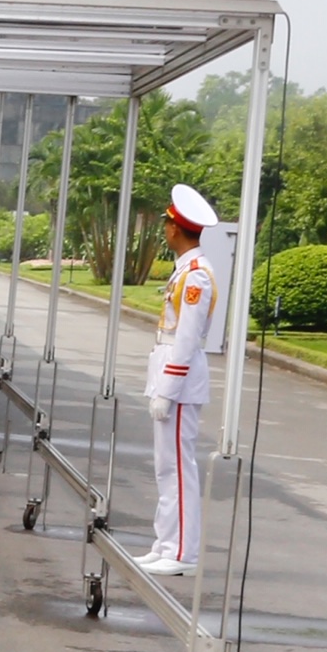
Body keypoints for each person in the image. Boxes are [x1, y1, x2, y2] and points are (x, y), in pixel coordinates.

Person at [139, 184, 220, 575]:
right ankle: (165, 542)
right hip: (171, 370)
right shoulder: (186, 271)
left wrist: (167, 390)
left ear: (176, 228)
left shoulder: (197, 277)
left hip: (181, 378)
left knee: (178, 466)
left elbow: (186, 340)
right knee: (165, 466)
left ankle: (183, 551)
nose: (165, 229)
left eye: (167, 222)